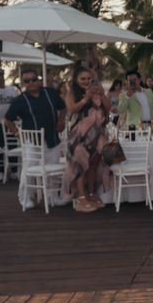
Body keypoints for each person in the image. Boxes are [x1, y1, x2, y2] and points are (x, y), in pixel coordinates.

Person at [4, 69, 67, 208]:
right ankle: (24, 198)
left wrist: (61, 121)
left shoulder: (50, 93)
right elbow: (8, 120)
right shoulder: (19, 100)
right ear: (23, 83)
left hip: (52, 138)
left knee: (53, 170)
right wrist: (16, 133)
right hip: (32, 141)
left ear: (38, 80)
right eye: (27, 81)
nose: (31, 83)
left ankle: (53, 198)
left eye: (33, 79)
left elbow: (63, 108)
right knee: (29, 170)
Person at [64, 66, 110, 212]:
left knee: (94, 165)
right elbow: (71, 109)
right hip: (79, 136)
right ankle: (81, 197)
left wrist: (102, 95)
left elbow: (108, 109)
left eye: (89, 78)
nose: (86, 81)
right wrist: (86, 98)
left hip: (97, 135)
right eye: (83, 78)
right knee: (81, 165)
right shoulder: (72, 93)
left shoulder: (98, 92)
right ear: (76, 80)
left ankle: (91, 194)